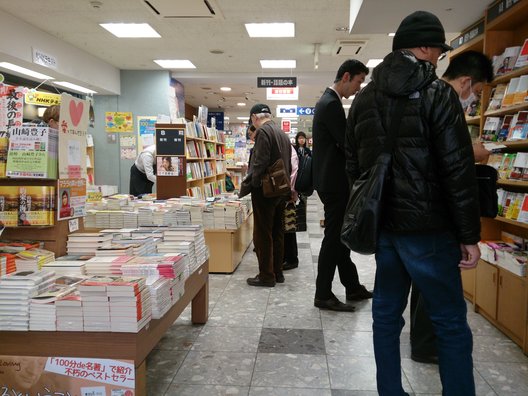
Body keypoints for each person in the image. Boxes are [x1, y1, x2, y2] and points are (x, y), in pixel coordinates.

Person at [346, 11, 481, 395]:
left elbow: (354, 166)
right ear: (424, 47)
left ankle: (390, 390)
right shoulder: (439, 95)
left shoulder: (363, 98)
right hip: (430, 231)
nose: (438, 58)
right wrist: (469, 234)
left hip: (384, 228)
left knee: (386, 317)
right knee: (450, 321)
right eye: (437, 50)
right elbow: (457, 170)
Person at [410, 50, 493, 365]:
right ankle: (428, 345)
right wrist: (473, 153)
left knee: (424, 278)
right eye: (478, 92)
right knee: (437, 281)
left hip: (419, 209)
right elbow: (451, 167)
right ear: (467, 82)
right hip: (437, 209)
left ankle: (424, 341)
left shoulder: (424, 96)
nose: (474, 100)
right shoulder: (445, 103)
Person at [312, 58, 372, 312]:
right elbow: (347, 144)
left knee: (340, 237)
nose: (358, 88)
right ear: (346, 76)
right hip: (334, 183)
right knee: (334, 239)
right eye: (359, 81)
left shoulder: (329, 102)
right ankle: (323, 293)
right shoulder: (330, 104)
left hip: (331, 181)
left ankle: (353, 286)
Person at [241, 104, 292, 287]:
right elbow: (288, 164)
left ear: (255, 117)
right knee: (278, 231)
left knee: (263, 233)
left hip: (265, 190)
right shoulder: (282, 134)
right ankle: (277, 272)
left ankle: (266, 275)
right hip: (280, 189)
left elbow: (260, 162)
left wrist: (253, 184)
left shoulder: (263, 132)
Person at [283, 131, 311, 271]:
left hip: (289, 194)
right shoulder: (289, 148)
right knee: (286, 226)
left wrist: (292, 192)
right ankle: (287, 257)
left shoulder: (289, 150)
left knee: (289, 226)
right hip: (288, 193)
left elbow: (294, 172)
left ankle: (291, 258)